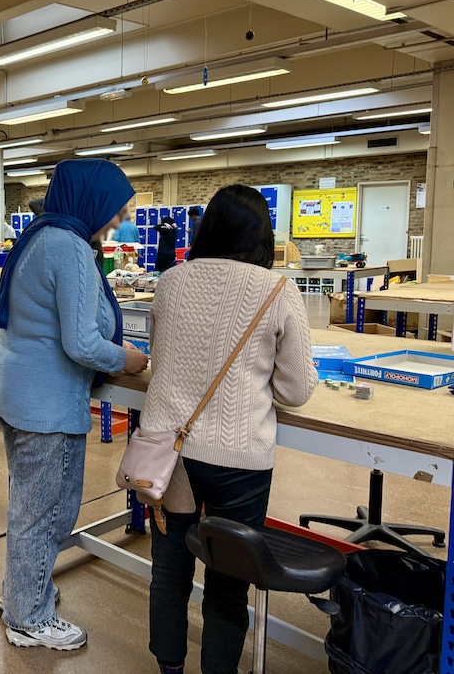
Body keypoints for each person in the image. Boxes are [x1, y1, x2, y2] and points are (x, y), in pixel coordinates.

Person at [140, 185, 317, 674]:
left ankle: (169, 668)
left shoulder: (170, 281)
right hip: (238, 458)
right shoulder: (278, 289)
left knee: (169, 570)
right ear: (265, 237)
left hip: (167, 452)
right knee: (227, 581)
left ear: (207, 228)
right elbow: (297, 389)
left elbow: (162, 358)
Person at [0, 159, 150, 652]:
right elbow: (81, 344)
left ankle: (19, 592)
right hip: (47, 401)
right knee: (48, 514)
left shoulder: (40, 237)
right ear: (92, 202)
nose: (119, 222)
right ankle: (29, 617)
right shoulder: (71, 249)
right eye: (116, 211)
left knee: (28, 507)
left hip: (17, 388)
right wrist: (131, 359)